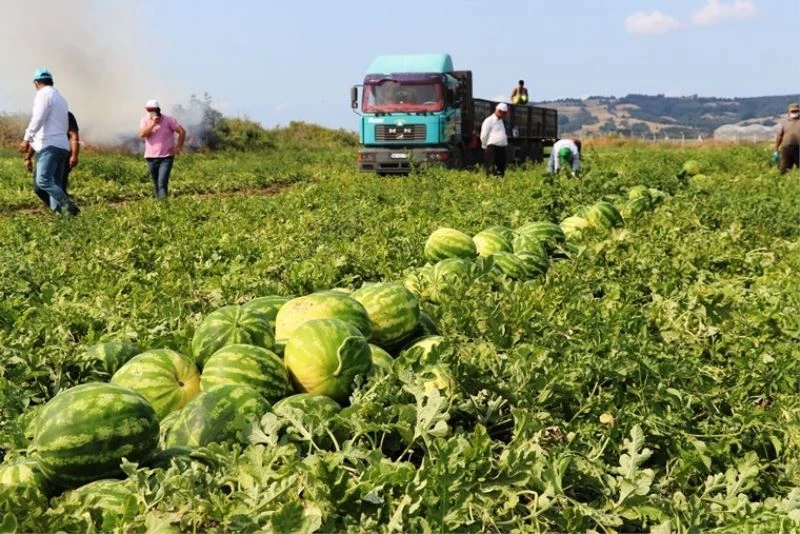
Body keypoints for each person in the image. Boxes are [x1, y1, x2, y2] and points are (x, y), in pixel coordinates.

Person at [19, 68, 79, 215]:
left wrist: (26, 138)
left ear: (36, 83)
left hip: (49, 146)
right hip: (62, 147)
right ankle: (61, 217)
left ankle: (68, 205)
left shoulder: (43, 95)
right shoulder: (61, 99)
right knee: (56, 183)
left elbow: (38, 118)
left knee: (43, 181)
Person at [26, 111, 79, 208]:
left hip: (62, 153)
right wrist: (28, 158)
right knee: (39, 188)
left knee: (58, 185)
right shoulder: (40, 116)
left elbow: (74, 136)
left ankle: (65, 212)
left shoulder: (66, 115)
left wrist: (74, 155)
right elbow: (35, 138)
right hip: (43, 153)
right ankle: (64, 208)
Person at [138, 99, 186, 199]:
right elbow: (142, 134)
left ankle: (164, 207)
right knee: (156, 184)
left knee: (162, 183)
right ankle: (160, 207)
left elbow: (182, 132)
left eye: (152, 109)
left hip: (166, 157)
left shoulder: (169, 120)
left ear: (158, 109)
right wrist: (153, 124)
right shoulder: (144, 120)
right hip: (151, 157)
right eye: (148, 109)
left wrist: (178, 147)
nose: (150, 111)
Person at [480, 103, 509, 177]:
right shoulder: (489, 120)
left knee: (501, 168)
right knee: (491, 167)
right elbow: (484, 135)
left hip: (501, 148)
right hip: (492, 148)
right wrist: (484, 146)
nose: (505, 115)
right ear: (499, 111)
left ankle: (500, 184)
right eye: (504, 113)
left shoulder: (501, 121)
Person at [775, 103, 800, 174]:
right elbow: (779, 136)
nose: (794, 113)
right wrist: (776, 149)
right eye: (793, 111)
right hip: (786, 150)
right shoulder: (784, 122)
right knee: (784, 170)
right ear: (789, 112)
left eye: (796, 111)